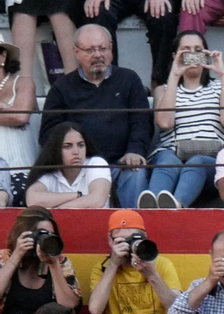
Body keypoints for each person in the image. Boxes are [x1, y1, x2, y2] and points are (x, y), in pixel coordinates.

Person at [39, 26, 152, 209]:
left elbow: (142, 121)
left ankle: (132, 228)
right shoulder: (62, 88)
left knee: (137, 173)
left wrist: (135, 150)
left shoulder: (129, 79)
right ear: (76, 52)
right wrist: (74, 160)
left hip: (122, 164)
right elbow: (48, 134)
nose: (98, 55)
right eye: (90, 50)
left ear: (111, 48)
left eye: (103, 49)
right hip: (81, 169)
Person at [147, 30, 224, 209]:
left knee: (197, 162)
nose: (193, 55)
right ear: (175, 56)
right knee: (167, 160)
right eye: (186, 50)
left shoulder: (221, 87)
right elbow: (165, 123)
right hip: (171, 154)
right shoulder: (163, 89)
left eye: (198, 50)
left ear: (206, 54)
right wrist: (174, 75)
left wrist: (223, 74)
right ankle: (148, 210)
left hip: (211, 159)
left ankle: (176, 206)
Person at [86, 208, 181, 314]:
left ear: (144, 237)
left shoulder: (162, 264)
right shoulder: (102, 268)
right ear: (110, 241)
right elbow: (95, 310)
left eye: (133, 239)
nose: (129, 245)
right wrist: (113, 265)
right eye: (122, 240)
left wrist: (152, 275)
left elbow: (176, 309)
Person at [0, 206, 78, 314]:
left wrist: (53, 265)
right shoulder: (4, 258)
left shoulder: (61, 263)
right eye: (40, 234)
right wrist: (16, 255)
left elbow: (68, 306)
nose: (45, 239)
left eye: (50, 235)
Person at [24, 121, 111, 208]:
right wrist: (77, 195)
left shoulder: (96, 163)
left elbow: (97, 200)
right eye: (68, 146)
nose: (76, 152)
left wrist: (57, 211)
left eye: (80, 145)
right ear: (56, 150)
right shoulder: (52, 173)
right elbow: (32, 199)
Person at [0, 35, 35, 195]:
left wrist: (12, 112)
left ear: (3, 56)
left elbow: (21, 117)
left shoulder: (23, 83)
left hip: (20, 170)